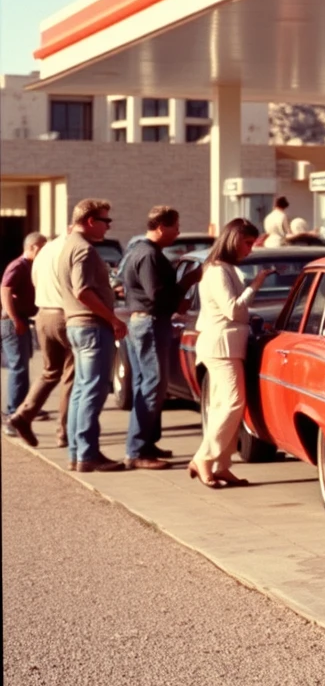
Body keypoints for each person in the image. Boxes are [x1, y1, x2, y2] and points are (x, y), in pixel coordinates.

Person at [188, 218, 274, 489]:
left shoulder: (222, 269)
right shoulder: (217, 271)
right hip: (221, 345)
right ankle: (204, 458)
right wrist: (255, 285)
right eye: (247, 243)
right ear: (234, 238)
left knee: (221, 407)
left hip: (226, 345)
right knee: (234, 403)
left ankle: (222, 465)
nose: (249, 250)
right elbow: (234, 311)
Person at [119, 206, 202, 470]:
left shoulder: (140, 251)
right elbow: (158, 295)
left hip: (145, 321)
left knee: (146, 384)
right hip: (150, 322)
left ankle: (147, 442)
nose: (178, 232)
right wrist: (186, 283)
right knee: (152, 386)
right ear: (160, 227)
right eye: (175, 226)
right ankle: (137, 450)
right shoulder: (148, 254)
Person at [57, 199, 128, 472]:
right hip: (91, 326)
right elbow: (82, 290)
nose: (108, 226)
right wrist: (112, 318)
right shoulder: (84, 250)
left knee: (82, 391)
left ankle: (79, 454)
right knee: (92, 392)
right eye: (105, 221)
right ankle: (87, 454)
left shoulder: (68, 246)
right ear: (90, 221)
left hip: (78, 326)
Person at [8, 228, 76, 448]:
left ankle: (22, 415)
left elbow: (36, 284)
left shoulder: (43, 255)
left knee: (50, 372)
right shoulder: (69, 250)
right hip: (61, 315)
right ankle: (64, 432)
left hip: (42, 315)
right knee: (70, 375)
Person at [2, 232, 47, 434]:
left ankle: (24, 409)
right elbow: (4, 290)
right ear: (33, 247)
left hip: (22, 319)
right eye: (42, 247)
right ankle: (13, 414)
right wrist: (14, 319)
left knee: (23, 365)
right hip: (13, 322)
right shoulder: (18, 266)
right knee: (18, 367)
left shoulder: (31, 266)